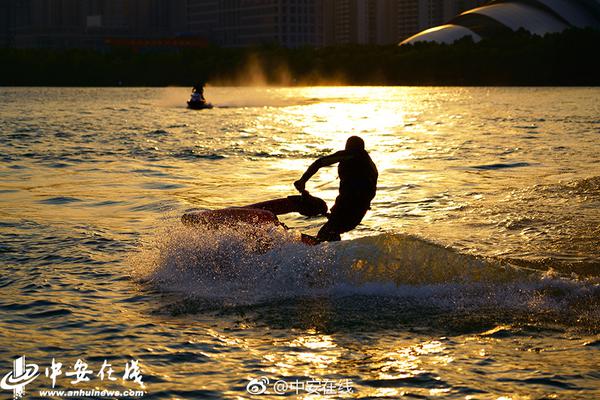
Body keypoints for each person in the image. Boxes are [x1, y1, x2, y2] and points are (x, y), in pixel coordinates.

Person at [294, 136, 378, 242]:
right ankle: (337, 255)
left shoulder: (352, 154)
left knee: (325, 235)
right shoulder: (369, 164)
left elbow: (320, 162)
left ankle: (320, 256)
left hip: (349, 209)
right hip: (357, 211)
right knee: (331, 233)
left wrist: (302, 181)